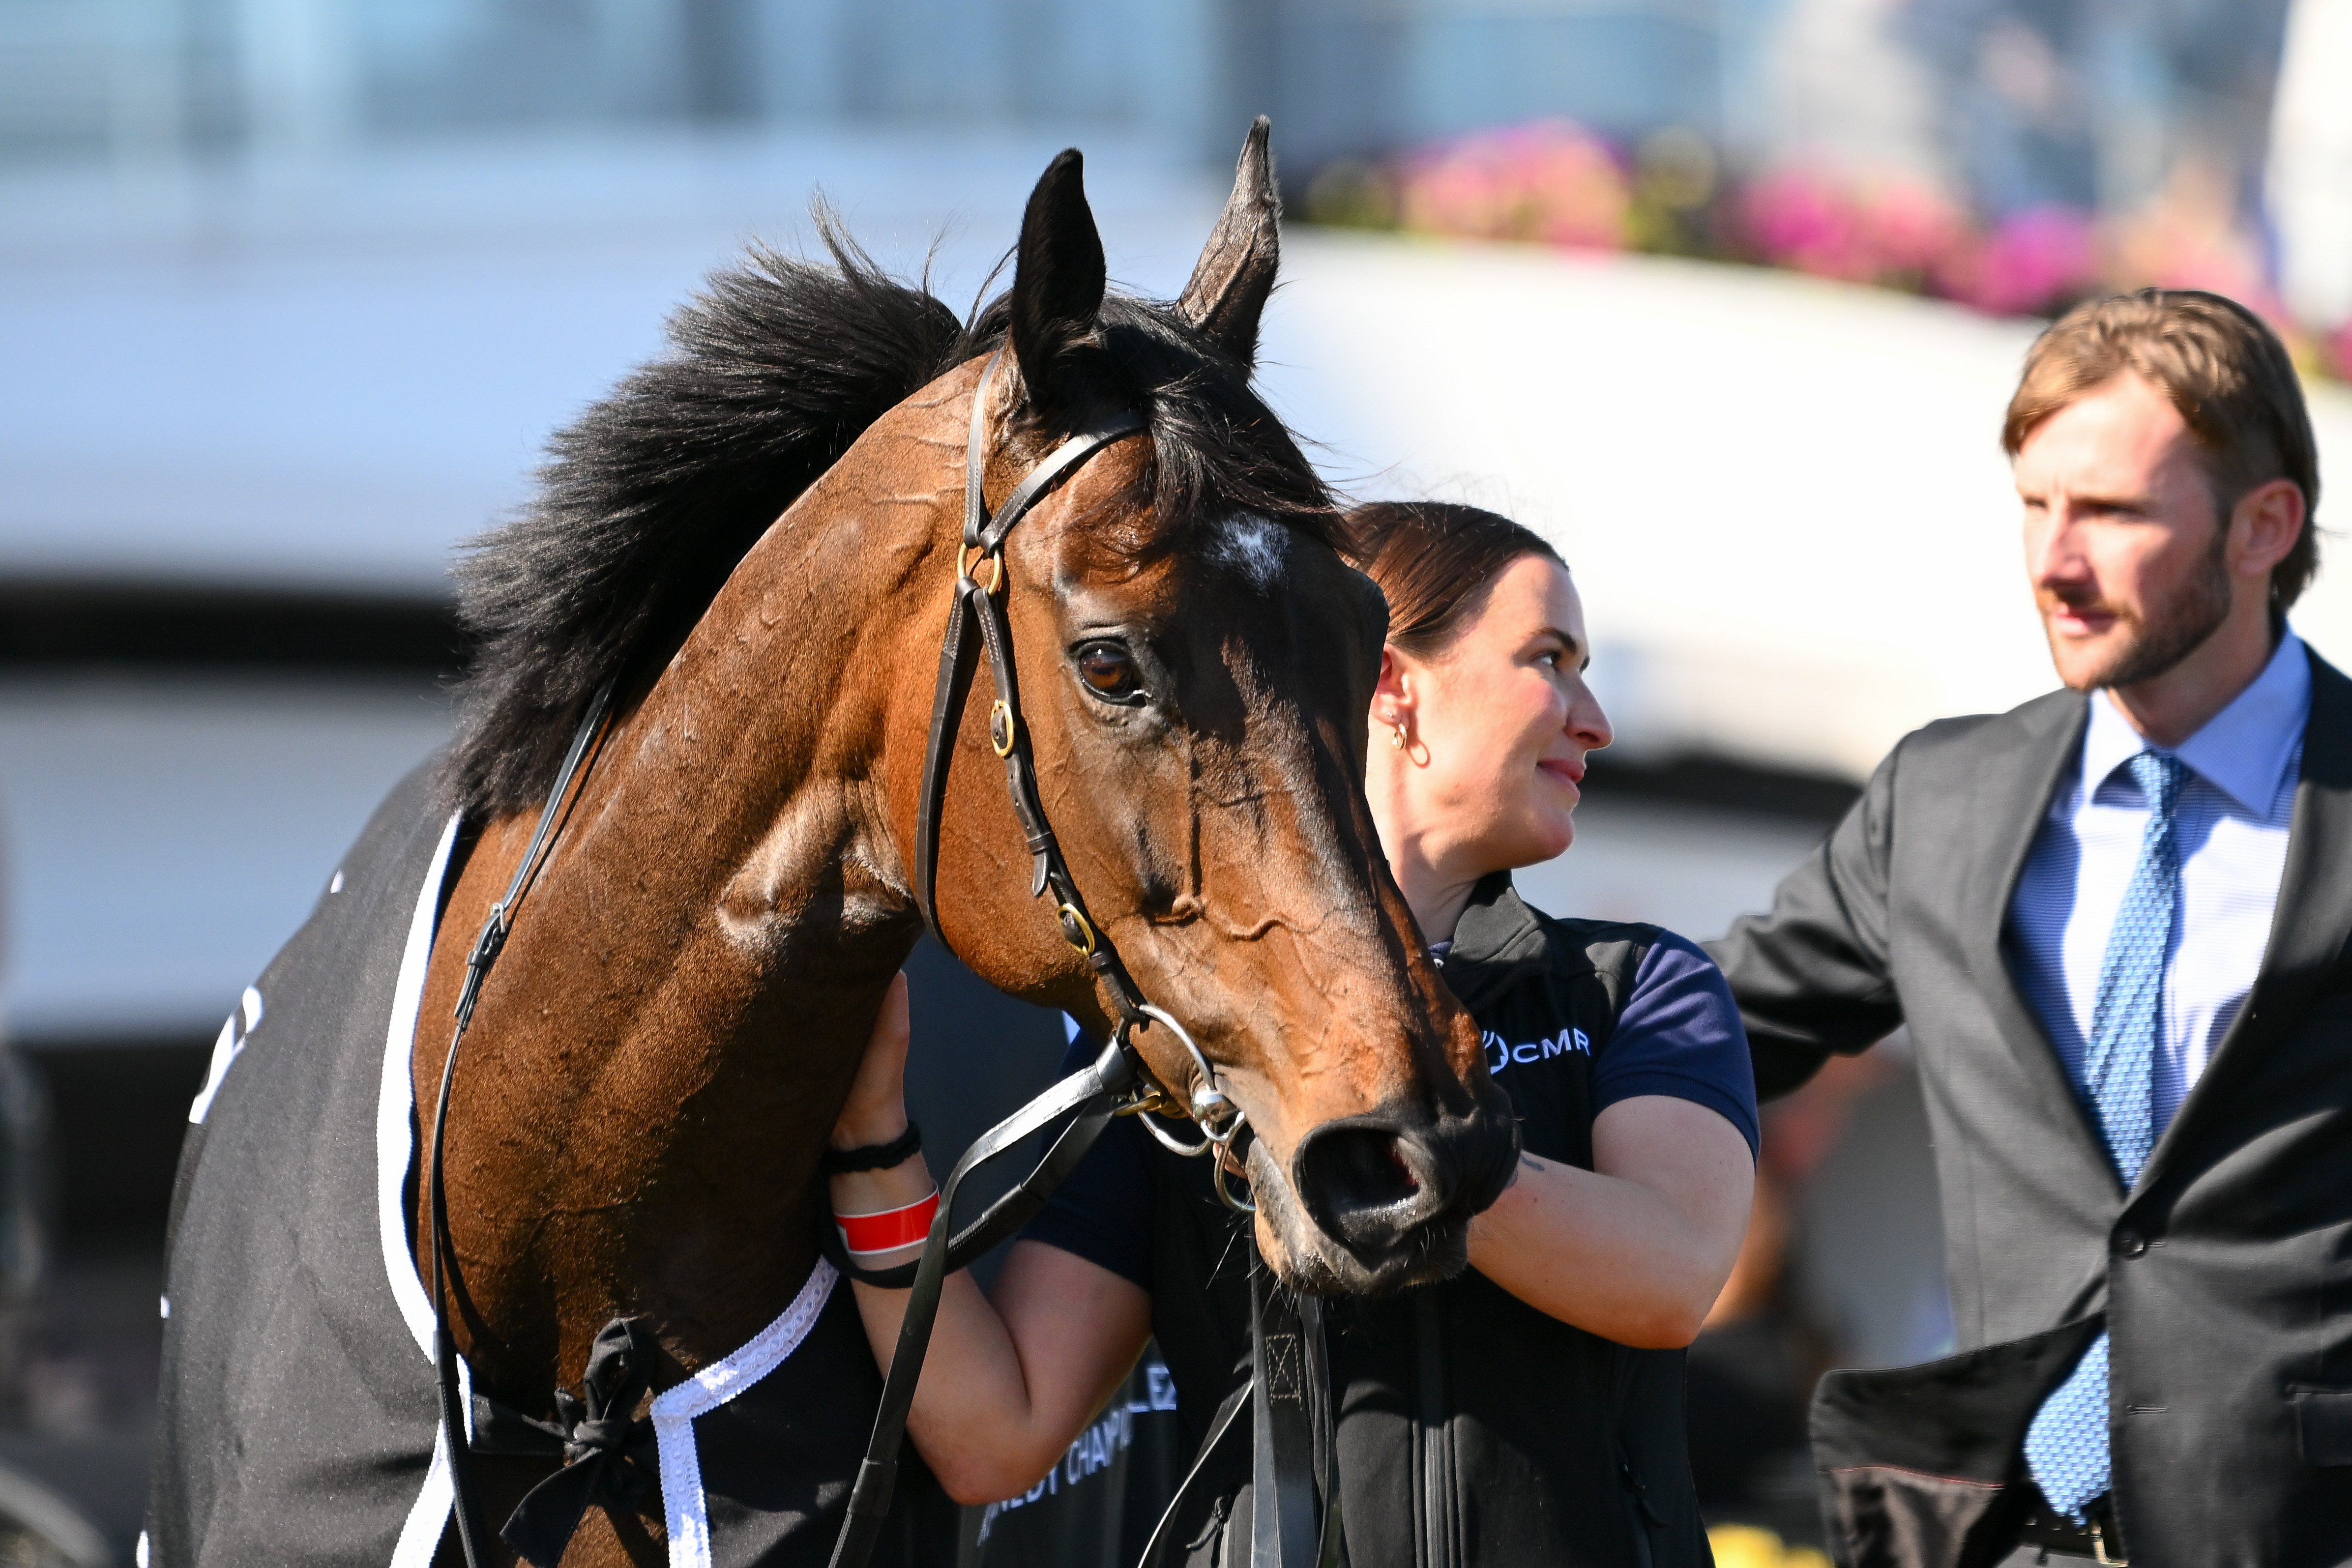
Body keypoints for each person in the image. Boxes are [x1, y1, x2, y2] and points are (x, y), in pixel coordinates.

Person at [825, 501, 1760, 1567]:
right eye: (1550, 659)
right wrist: (870, 1141)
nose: (1594, 720)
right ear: (1389, 682)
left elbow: (1670, 1276)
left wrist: (1381, 1130)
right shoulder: (1176, 1038)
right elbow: (996, 1429)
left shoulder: (1633, 985)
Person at [1709, 289, 2349, 1568]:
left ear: (2264, 525)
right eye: (2034, 503)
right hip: (2005, 1534)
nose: (2054, 559)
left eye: (2111, 511)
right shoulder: (1943, 797)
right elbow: (1709, 1021)